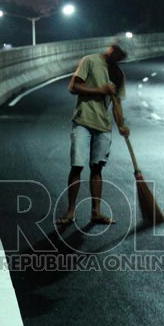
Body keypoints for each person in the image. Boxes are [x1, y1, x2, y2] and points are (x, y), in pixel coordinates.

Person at [56, 38, 131, 226]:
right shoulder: (89, 61)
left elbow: (117, 103)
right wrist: (100, 90)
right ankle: (70, 211)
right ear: (112, 48)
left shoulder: (118, 73)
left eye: (123, 57)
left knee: (97, 168)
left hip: (103, 125)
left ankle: (96, 212)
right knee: (77, 166)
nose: (120, 58)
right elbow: (73, 87)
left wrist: (121, 125)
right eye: (119, 54)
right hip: (83, 120)